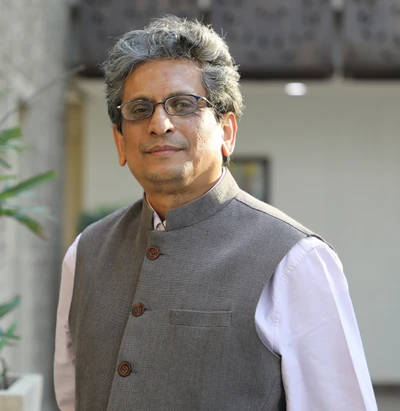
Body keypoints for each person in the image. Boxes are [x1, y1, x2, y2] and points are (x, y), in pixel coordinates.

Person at [54, 15, 377, 411]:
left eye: (182, 104)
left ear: (227, 132)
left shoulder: (295, 261)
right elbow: (71, 398)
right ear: (120, 142)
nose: (160, 123)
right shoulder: (85, 253)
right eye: (139, 109)